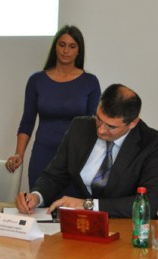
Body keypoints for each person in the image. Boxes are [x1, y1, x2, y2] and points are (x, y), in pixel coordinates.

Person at [15, 84, 158, 219]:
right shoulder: (80, 127)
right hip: (80, 224)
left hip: (127, 228)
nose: (101, 130)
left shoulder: (154, 144)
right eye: (99, 119)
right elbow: (55, 176)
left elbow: (149, 203)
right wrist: (36, 196)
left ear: (133, 123)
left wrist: (87, 205)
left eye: (111, 127)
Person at [5, 25, 101, 191]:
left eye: (72, 46)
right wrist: (19, 153)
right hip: (42, 155)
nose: (66, 51)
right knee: (38, 202)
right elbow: (27, 121)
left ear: (79, 50)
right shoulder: (37, 80)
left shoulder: (90, 82)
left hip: (75, 158)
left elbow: (94, 125)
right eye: (62, 44)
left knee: (70, 205)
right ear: (55, 46)